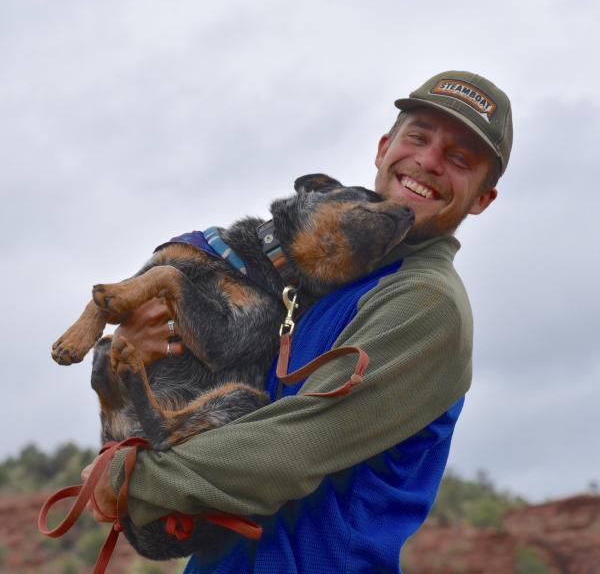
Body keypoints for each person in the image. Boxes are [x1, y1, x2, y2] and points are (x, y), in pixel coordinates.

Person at [83, 70, 513, 572]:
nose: (429, 160)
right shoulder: (334, 280)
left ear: (483, 197)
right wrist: (149, 346)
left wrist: (134, 481)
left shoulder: (423, 302)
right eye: (418, 136)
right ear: (383, 148)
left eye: (460, 158)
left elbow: (296, 444)